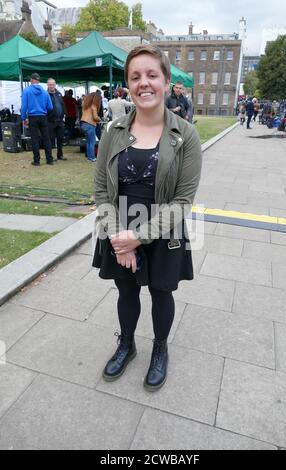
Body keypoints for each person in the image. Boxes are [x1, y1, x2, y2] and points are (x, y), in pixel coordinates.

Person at [93, 45, 202, 391]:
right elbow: (100, 189)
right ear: (127, 84)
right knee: (125, 291)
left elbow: (183, 201)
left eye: (152, 75)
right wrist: (119, 239)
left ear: (167, 82)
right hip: (118, 228)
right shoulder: (113, 131)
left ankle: (159, 349)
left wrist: (138, 237)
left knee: (161, 292)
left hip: (162, 231)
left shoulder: (185, 135)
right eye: (135, 76)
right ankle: (126, 344)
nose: (144, 83)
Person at [21, 72, 54, 166]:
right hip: (43, 116)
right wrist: (43, 110)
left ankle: (37, 161)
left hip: (32, 117)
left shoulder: (27, 91)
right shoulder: (44, 91)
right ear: (38, 80)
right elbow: (50, 107)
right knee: (46, 138)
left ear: (31, 80)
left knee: (35, 139)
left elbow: (24, 106)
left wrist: (24, 118)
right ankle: (49, 160)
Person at [47, 78, 67, 161]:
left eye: (53, 84)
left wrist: (64, 114)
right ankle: (50, 156)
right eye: (50, 84)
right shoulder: (45, 94)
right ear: (47, 85)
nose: (52, 86)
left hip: (60, 120)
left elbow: (62, 105)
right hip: (50, 121)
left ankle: (60, 155)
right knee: (50, 139)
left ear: (55, 85)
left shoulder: (59, 94)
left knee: (60, 138)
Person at [80, 92, 101, 162]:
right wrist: (99, 119)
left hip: (83, 124)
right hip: (90, 124)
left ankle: (89, 157)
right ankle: (92, 157)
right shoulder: (94, 106)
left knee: (88, 142)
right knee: (92, 142)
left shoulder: (85, 105)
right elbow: (95, 117)